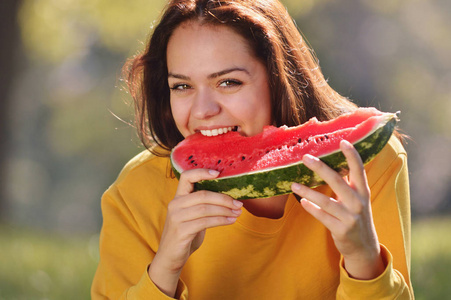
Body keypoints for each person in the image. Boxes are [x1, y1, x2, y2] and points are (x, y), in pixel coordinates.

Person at [91, 0, 414, 299]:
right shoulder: (135, 194)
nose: (202, 110)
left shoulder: (368, 164)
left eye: (228, 82)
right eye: (182, 86)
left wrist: (364, 261)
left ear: (278, 78)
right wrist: (166, 268)